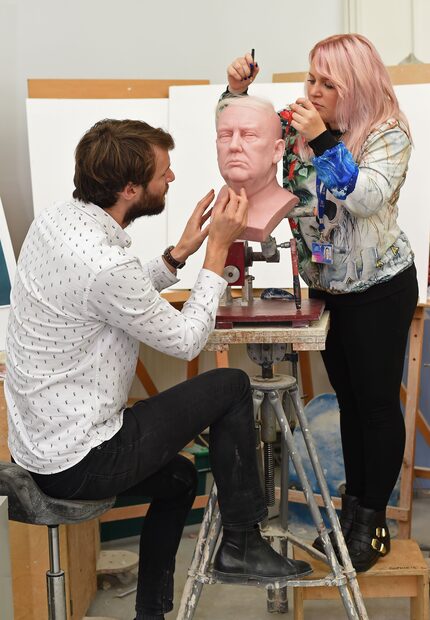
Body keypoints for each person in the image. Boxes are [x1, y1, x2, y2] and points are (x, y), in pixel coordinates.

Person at [5, 118, 311, 620]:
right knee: (232, 385)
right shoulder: (105, 263)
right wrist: (215, 256)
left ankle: (152, 613)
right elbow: (187, 339)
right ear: (130, 189)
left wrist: (178, 256)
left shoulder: (58, 221)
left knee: (176, 479)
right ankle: (240, 543)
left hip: (43, 447)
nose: (171, 179)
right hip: (82, 461)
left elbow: (108, 298)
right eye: (162, 173)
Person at [225, 34, 418, 572]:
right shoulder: (297, 124)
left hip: (380, 287)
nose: (312, 90)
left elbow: (365, 197)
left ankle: (371, 522)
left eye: (327, 83)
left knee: (376, 405)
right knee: (350, 403)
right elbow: (241, 144)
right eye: (311, 78)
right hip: (329, 287)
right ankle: (355, 513)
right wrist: (233, 91)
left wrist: (328, 140)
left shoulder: (388, 133)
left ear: (353, 86)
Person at [215, 96, 298, 241]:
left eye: (249, 135)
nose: (234, 145)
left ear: (277, 150)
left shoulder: (282, 203)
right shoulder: (221, 203)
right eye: (225, 135)